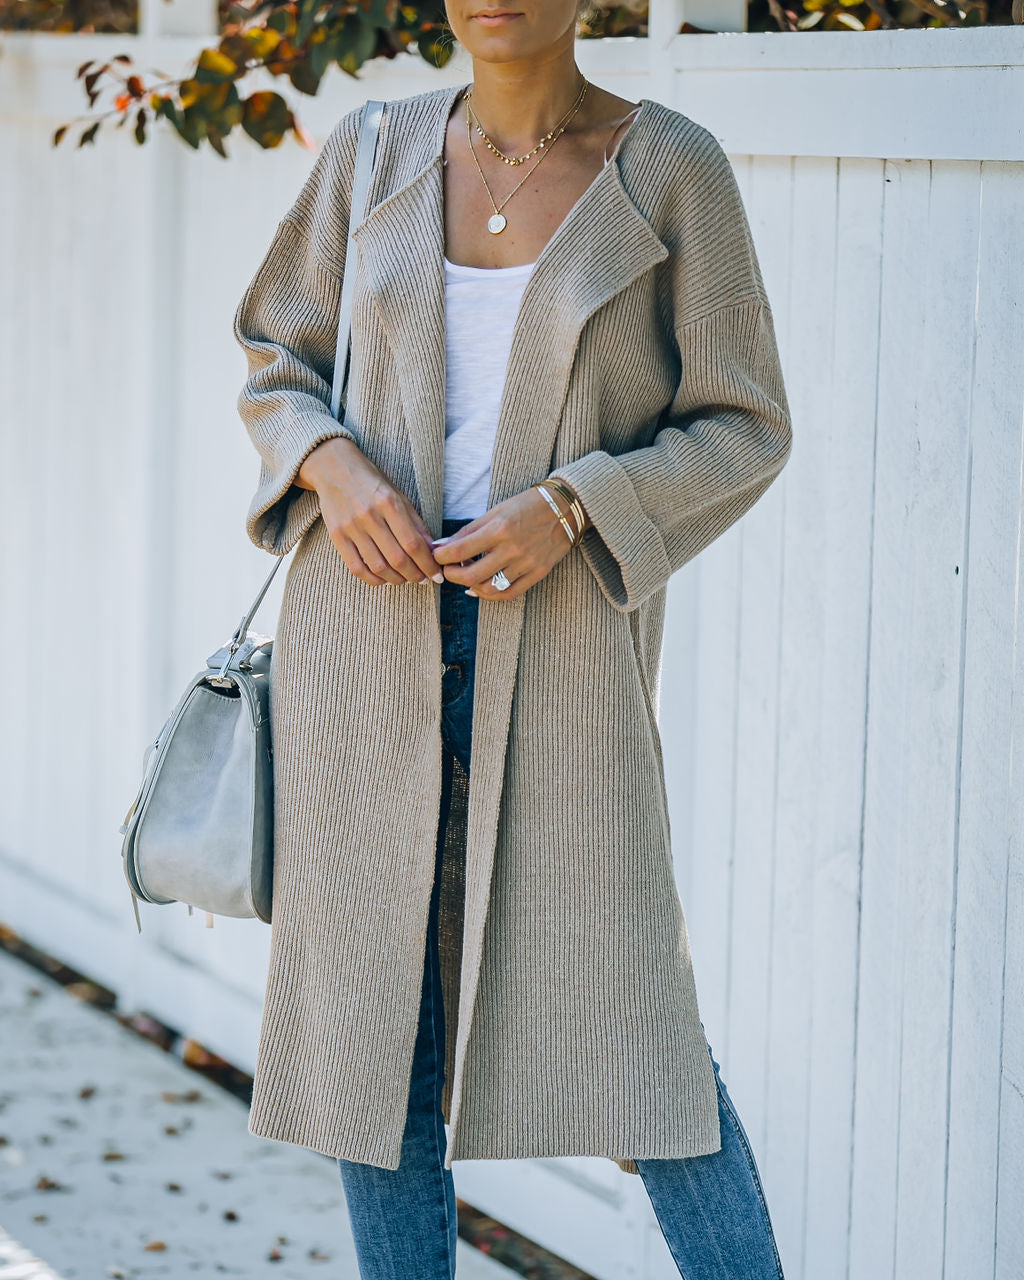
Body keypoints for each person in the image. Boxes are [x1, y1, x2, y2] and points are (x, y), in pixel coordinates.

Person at [233, 3, 793, 1277]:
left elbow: (744, 421)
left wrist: (576, 504)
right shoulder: (370, 150)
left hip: (563, 658)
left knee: (641, 1044)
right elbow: (275, 355)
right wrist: (331, 466)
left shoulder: (670, 168)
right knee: (375, 1042)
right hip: (362, 646)